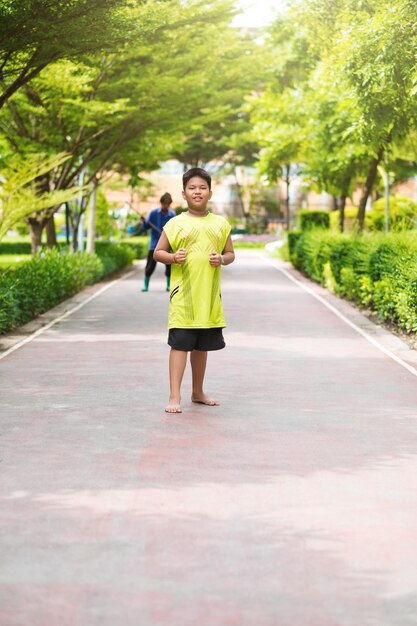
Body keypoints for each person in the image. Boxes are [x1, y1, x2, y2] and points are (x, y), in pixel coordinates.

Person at [154, 167, 235, 413]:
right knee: (180, 346)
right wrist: (173, 257)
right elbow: (158, 252)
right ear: (184, 193)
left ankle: (197, 391)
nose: (197, 192)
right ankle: (174, 396)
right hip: (184, 299)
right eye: (192, 188)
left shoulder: (220, 224)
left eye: (202, 188)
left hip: (209, 299)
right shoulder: (175, 223)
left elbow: (230, 254)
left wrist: (221, 259)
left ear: (210, 193)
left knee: (202, 347)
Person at [141, 192, 176, 292]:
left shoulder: (172, 215)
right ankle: (145, 285)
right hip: (154, 245)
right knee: (150, 266)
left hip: (168, 245)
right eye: (164, 203)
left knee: (169, 266)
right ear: (161, 203)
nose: (165, 206)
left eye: (167, 204)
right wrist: (144, 222)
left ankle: (169, 285)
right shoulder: (153, 213)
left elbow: (175, 229)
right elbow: (146, 227)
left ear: (170, 204)